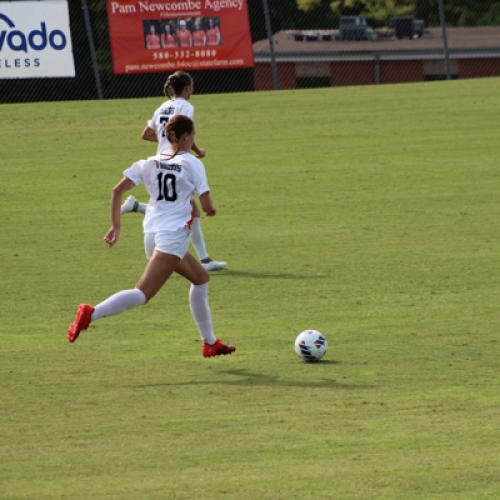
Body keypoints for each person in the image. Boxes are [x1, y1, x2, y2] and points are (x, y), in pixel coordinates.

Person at [67, 116, 236, 358]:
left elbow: (117, 191)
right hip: (172, 238)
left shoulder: (150, 162)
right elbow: (207, 202)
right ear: (186, 136)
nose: (194, 140)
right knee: (141, 294)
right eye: (193, 135)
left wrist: (116, 226)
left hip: (152, 235)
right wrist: (209, 209)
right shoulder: (192, 163)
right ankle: (90, 313)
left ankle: (210, 343)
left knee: (200, 278)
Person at [121, 70, 227, 272]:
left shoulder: (163, 106)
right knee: (188, 210)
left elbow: (146, 134)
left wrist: (163, 140)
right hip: (178, 162)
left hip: (159, 162)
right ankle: (204, 260)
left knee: (178, 207)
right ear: (187, 88)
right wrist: (197, 150)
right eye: (192, 87)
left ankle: (136, 206)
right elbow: (183, 131)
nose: (192, 90)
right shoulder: (185, 106)